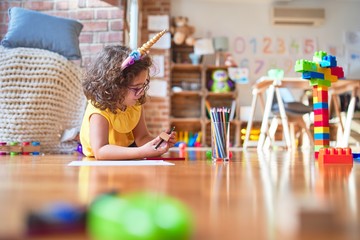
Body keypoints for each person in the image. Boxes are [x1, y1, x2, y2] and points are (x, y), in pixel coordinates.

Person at [80, 31, 176, 160]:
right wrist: (142, 152)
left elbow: (142, 138)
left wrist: (158, 143)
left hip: (125, 158)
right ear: (115, 86)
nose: (141, 92)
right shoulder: (99, 111)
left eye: (143, 86)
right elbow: (101, 151)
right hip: (96, 166)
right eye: (136, 88)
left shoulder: (135, 104)